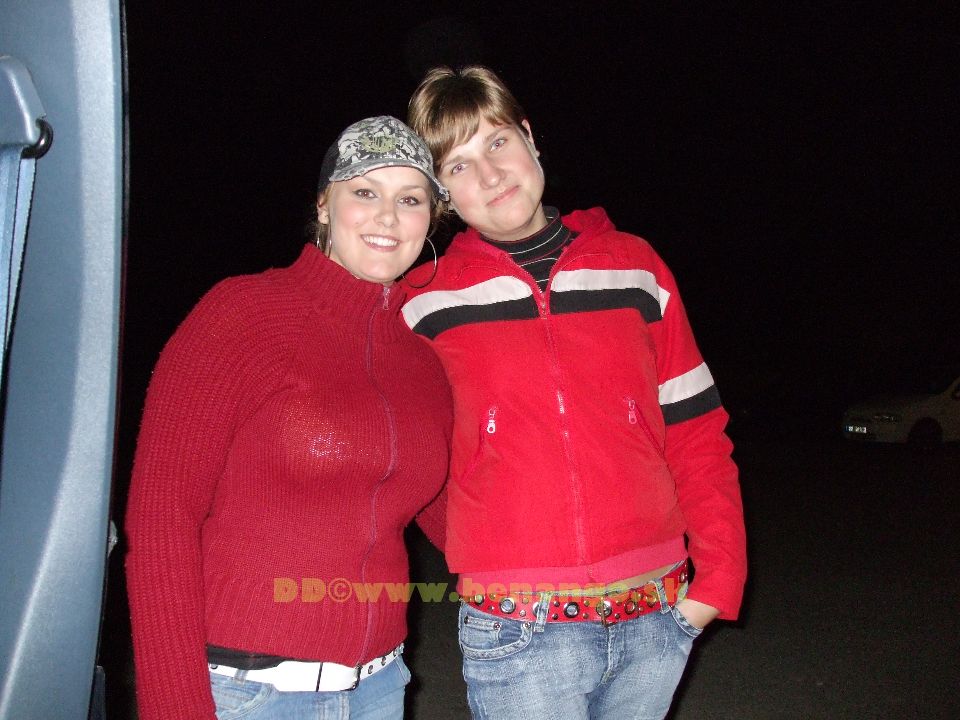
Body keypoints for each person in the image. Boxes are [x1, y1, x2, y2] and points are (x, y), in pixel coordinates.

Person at [402, 66, 747, 719]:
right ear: (442, 193)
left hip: (656, 615)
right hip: (518, 627)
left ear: (530, 137)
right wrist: (488, 547)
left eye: (498, 142)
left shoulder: (635, 267)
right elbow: (400, 453)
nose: (490, 175)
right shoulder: (424, 302)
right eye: (459, 166)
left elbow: (696, 426)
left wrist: (719, 578)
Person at [125, 116, 453, 720]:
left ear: (430, 220)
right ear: (324, 205)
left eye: (410, 199)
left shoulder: (422, 360)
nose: (387, 216)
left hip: (380, 688)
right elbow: (161, 519)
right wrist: (175, 705)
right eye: (364, 191)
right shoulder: (244, 314)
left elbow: (453, 516)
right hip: (248, 691)